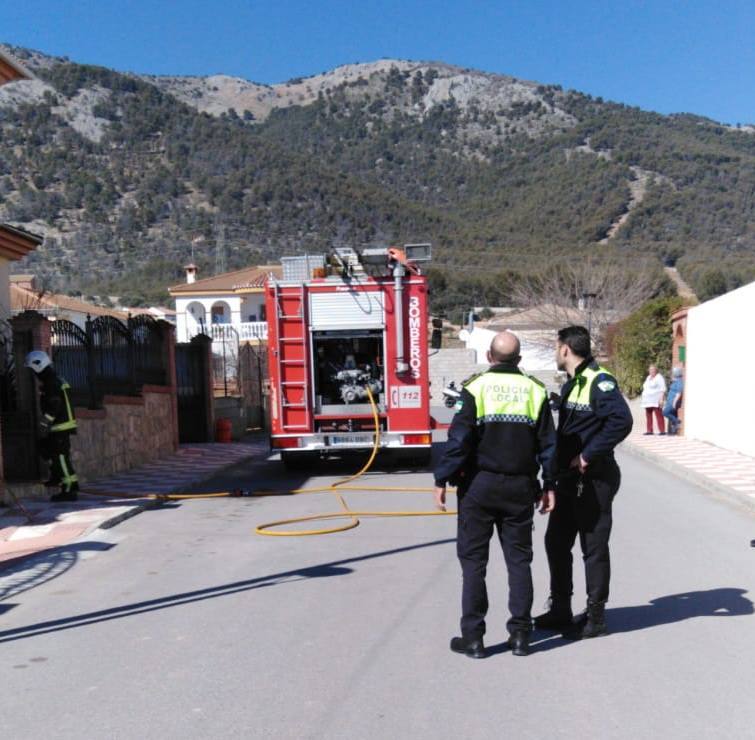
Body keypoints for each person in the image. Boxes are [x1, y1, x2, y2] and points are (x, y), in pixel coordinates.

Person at [433, 331, 557, 659]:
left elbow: (459, 441)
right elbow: (548, 444)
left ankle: (473, 638)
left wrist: (442, 478)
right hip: (520, 487)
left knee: (474, 563)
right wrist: (550, 485)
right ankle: (520, 636)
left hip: (479, 487)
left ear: (489, 356)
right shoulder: (535, 390)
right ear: (519, 360)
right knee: (519, 562)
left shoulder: (475, 388)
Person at [535, 326, 633, 639]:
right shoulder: (572, 384)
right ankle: (561, 608)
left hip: (594, 479)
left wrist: (588, 455)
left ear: (565, 349)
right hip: (568, 480)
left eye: (556, 346)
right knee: (556, 543)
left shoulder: (598, 380)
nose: (555, 352)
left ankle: (596, 617)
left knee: (593, 547)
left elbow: (622, 420)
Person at [24, 351, 79, 502]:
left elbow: (55, 404)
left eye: (32, 370)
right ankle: (56, 476)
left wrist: (45, 421)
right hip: (60, 426)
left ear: (38, 366)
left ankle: (70, 489)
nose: (33, 374)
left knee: (61, 457)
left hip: (60, 426)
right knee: (47, 449)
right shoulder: (55, 379)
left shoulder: (51, 382)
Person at [641, 365, 666, 435]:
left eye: (653, 370)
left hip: (656, 400)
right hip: (647, 401)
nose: (651, 371)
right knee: (648, 415)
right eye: (650, 370)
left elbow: (663, 389)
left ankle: (662, 431)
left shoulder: (659, 377)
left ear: (656, 370)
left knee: (659, 415)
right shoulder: (648, 377)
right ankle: (649, 430)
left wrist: (661, 399)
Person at [663, 367, 684, 435]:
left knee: (665, 412)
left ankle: (677, 421)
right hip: (670, 402)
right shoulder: (675, 381)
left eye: (673, 373)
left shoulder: (679, 382)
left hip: (672, 402)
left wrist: (674, 402)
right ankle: (673, 431)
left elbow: (679, 393)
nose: (672, 374)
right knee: (672, 415)